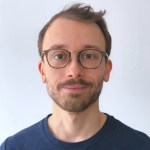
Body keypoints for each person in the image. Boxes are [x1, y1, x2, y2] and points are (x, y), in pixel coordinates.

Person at [0, 3, 150, 150]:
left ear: (107, 69)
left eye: (89, 55)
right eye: (59, 55)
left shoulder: (141, 146)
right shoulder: (13, 147)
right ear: (42, 71)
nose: (74, 70)